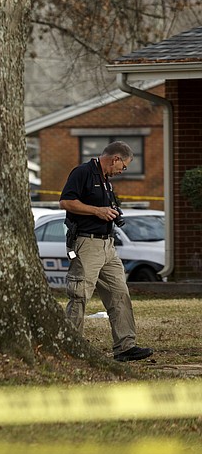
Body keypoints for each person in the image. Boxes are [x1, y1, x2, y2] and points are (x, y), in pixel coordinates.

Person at [59, 141, 152, 362]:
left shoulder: (106, 180)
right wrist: (97, 211)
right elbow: (66, 202)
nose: (123, 171)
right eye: (124, 166)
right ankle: (70, 346)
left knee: (119, 293)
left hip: (107, 245)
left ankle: (125, 347)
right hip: (86, 244)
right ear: (115, 159)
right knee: (80, 295)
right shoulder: (83, 172)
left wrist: (111, 211)